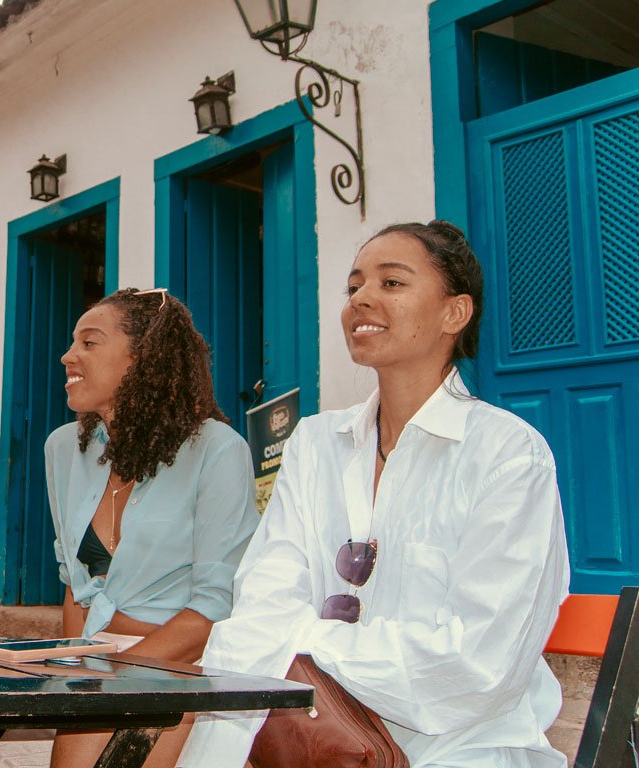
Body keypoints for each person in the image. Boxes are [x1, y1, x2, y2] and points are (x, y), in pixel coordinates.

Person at [178, 220, 570, 768]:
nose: (360, 299)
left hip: (459, 746)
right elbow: (263, 597)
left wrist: (303, 639)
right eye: (354, 285)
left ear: (454, 313)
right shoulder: (315, 444)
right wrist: (306, 644)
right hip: (310, 735)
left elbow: (478, 667)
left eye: (391, 283)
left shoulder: (506, 454)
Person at [47, 288, 259, 768]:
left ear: (142, 359)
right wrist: (74, 672)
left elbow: (215, 605)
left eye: (89, 342)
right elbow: (73, 587)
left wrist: (110, 672)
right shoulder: (63, 449)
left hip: (179, 663)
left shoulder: (217, 450)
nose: (67, 356)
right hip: (96, 664)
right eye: (71, 342)